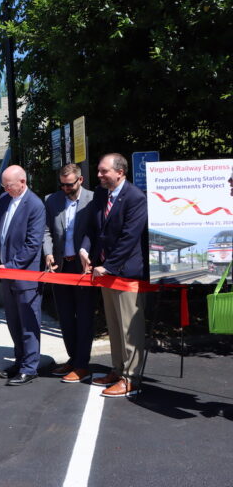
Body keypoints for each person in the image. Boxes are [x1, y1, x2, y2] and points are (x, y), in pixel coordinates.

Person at [80, 153, 148, 398]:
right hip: (105, 272)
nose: (98, 175)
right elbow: (93, 228)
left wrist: (107, 266)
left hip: (126, 273)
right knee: (115, 325)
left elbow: (130, 238)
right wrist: (85, 250)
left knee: (130, 327)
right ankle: (118, 370)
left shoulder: (136, 198)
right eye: (99, 170)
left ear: (120, 172)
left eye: (103, 171)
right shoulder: (101, 195)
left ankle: (131, 378)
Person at [0, 165, 46, 386]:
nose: (6, 189)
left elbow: (32, 245)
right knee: (13, 322)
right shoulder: (3, 199)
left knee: (29, 324)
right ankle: (20, 360)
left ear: (22, 181)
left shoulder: (35, 205)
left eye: (9, 185)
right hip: (6, 272)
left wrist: (10, 265)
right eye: (4, 185)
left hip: (25, 275)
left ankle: (30, 367)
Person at [43, 163, 96, 383]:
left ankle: (83, 365)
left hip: (83, 267)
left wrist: (88, 253)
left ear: (80, 180)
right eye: (63, 185)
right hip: (60, 266)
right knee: (65, 316)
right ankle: (73, 359)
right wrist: (47, 252)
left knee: (84, 316)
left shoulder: (93, 200)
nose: (66, 188)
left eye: (70, 184)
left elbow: (95, 231)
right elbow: (46, 230)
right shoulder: (52, 200)